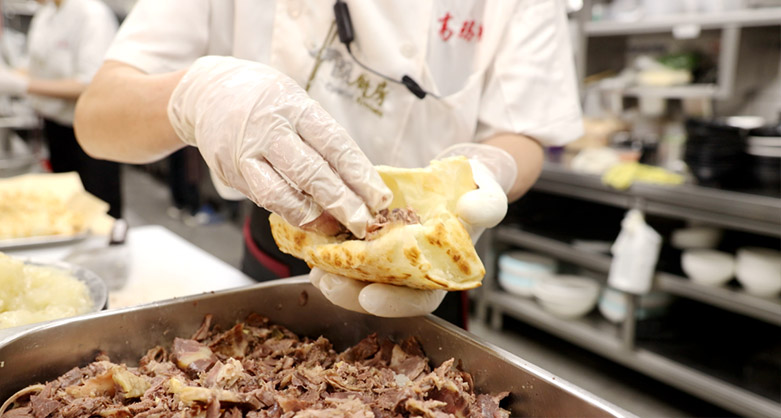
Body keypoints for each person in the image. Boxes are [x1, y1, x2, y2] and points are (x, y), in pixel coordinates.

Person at [74, 0, 582, 319]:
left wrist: (482, 169)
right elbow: (97, 116)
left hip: (431, 259)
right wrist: (197, 96)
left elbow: (526, 127)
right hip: (283, 247)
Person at [0, 0, 122, 218]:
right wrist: (11, 76)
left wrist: (23, 86)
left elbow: (90, 84)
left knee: (98, 209)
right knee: (66, 206)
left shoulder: (92, 15)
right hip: (56, 126)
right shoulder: (45, 15)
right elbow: (33, 67)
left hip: (91, 132)